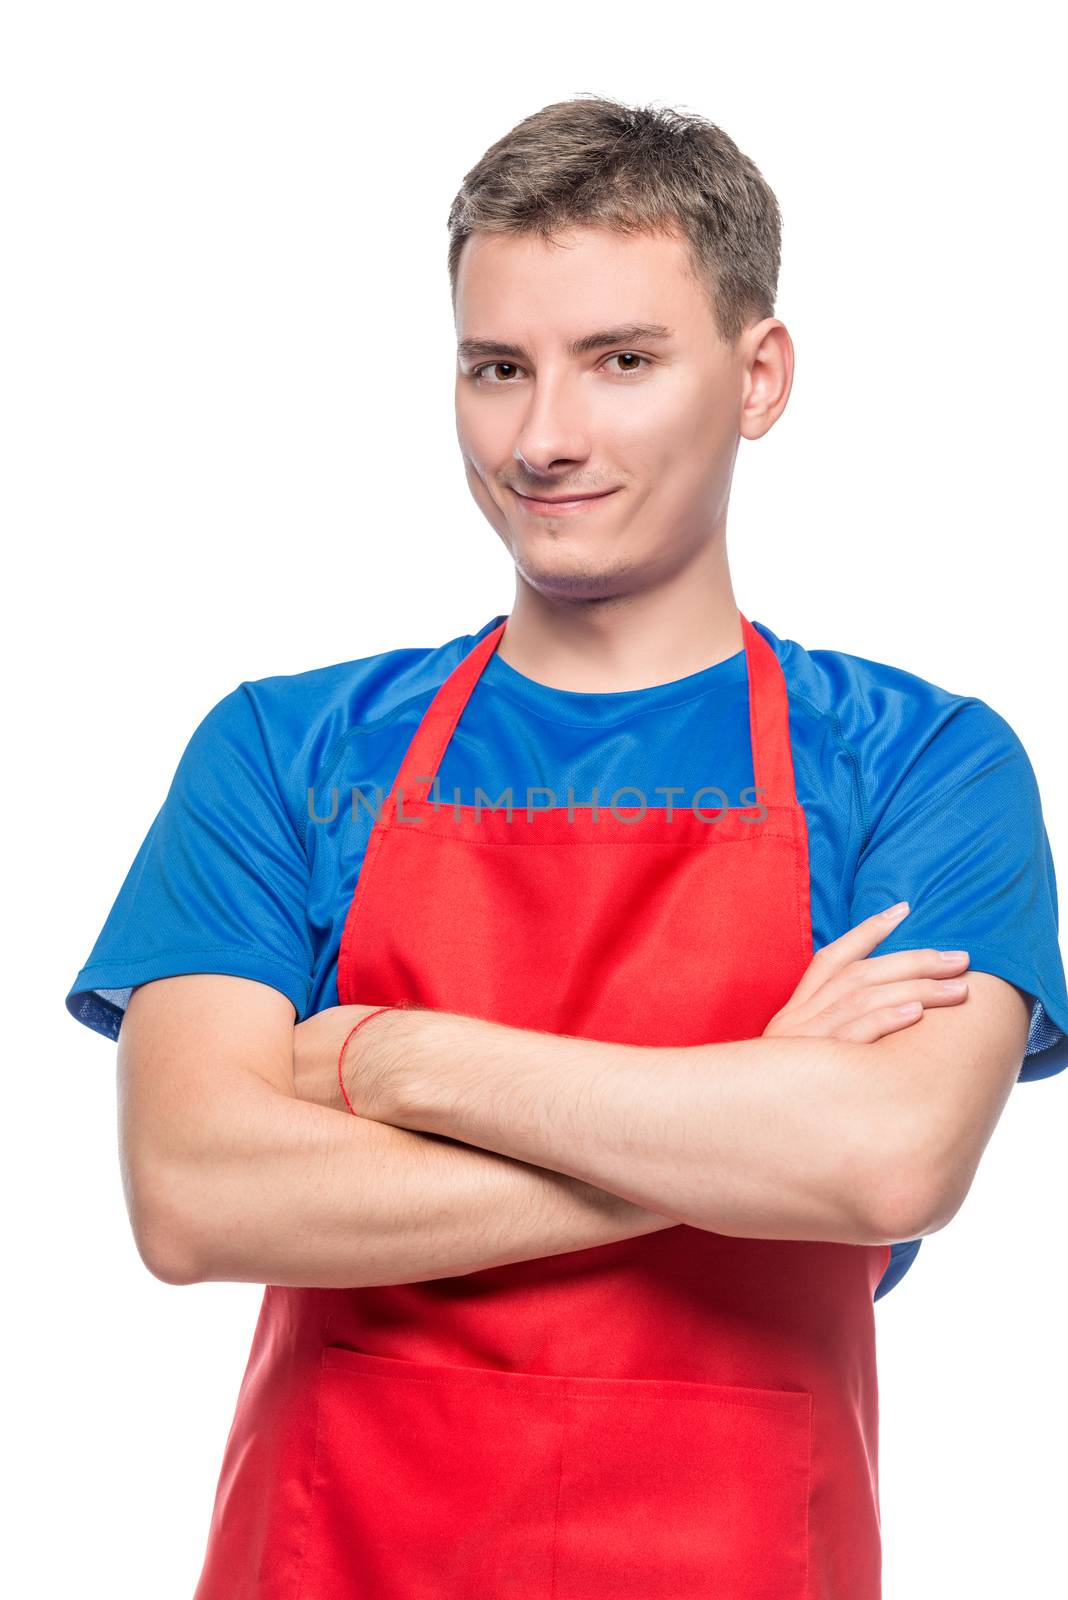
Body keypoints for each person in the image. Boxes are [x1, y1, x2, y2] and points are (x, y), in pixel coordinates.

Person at [65, 95, 1067, 1600]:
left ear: (759, 375)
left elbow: (882, 1161)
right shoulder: (286, 749)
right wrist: (742, 1123)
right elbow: (195, 1195)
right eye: (497, 369)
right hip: (345, 1556)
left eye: (621, 361)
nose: (544, 438)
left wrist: (399, 1065)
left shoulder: (921, 762)